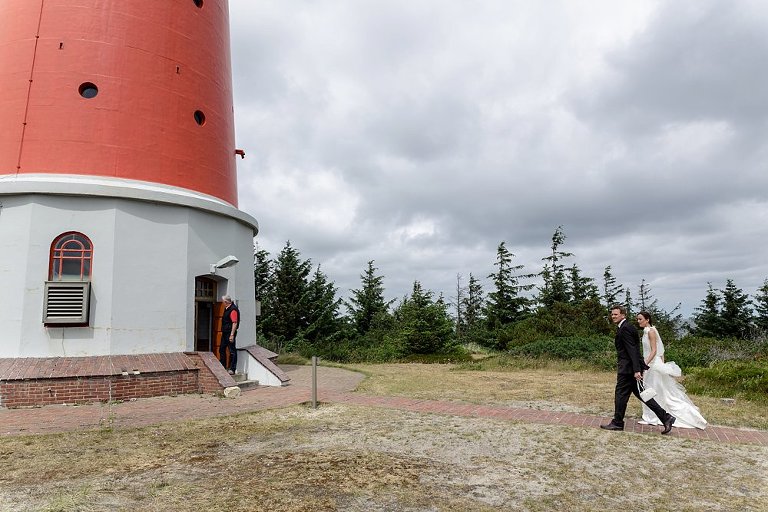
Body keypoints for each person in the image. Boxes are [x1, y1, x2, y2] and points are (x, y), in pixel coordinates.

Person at [601, 305, 676, 434]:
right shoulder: (626, 327)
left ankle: (618, 423)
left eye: (616, 314)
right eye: (612, 314)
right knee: (642, 395)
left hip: (628, 370)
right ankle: (666, 417)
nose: (613, 316)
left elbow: (633, 351)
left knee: (620, 394)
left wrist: (636, 370)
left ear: (623, 315)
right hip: (631, 369)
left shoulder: (625, 329)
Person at [636, 311, 707, 429]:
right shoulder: (647, 331)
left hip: (652, 364)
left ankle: (656, 416)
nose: (638, 321)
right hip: (652, 363)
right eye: (637, 319)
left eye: (640, 319)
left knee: (655, 389)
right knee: (651, 389)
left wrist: (645, 364)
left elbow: (654, 351)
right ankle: (653, 415)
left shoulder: (651, 331)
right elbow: (659, 351)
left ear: (647, 319)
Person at [219, 295, 239, 375]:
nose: (222, 303)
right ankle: (223, 366)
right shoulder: (227, 308)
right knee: (221, 349)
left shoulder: (233, 310)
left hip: (229, 333)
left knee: (232, 351)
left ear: (226, 302)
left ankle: (232, 368)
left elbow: (234, 322)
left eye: (223, 302)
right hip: (225, 332)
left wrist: (232, 335)